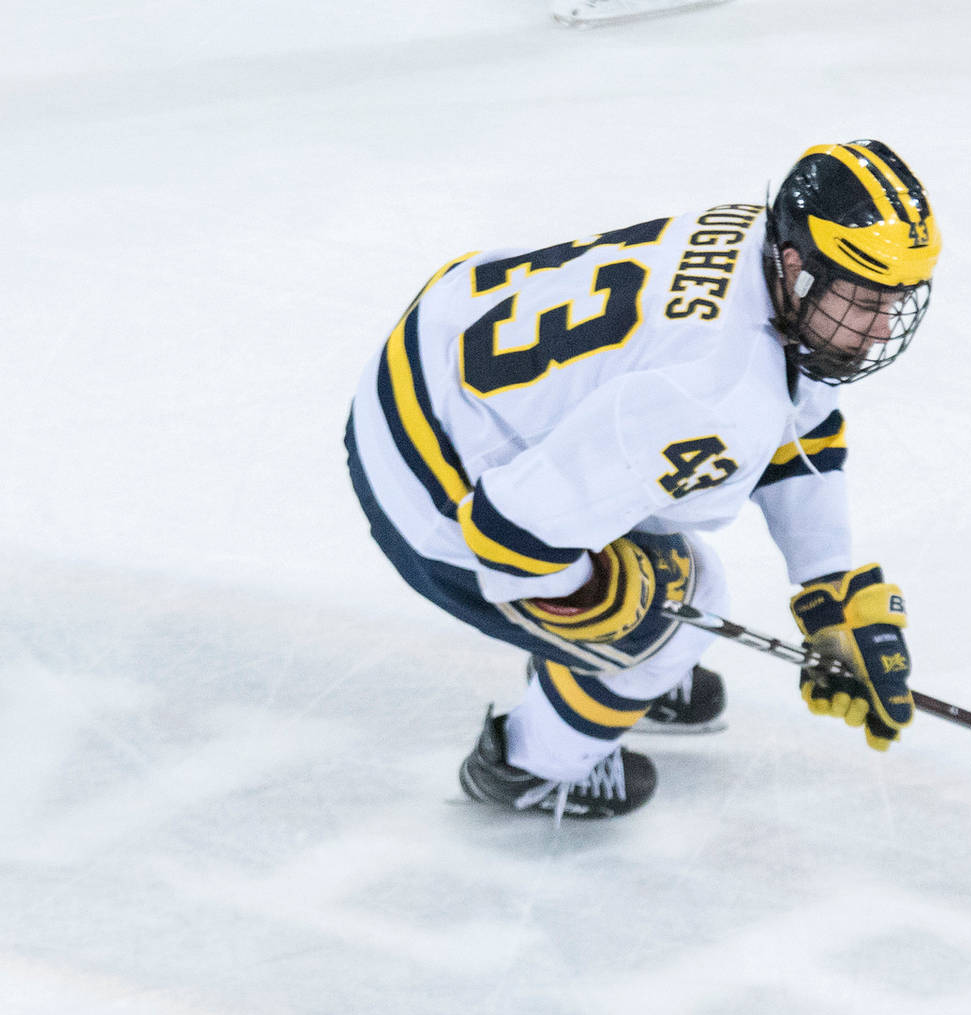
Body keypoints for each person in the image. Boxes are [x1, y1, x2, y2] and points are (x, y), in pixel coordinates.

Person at [343, 141, 939, 819]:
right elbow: (508, 534)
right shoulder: (717, 395)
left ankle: (602, 664)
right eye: (865, 301)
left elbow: (796, 415)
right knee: (677, 606)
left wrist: (830, 583)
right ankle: (527, 766)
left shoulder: (759, 240)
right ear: (798, 266)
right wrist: (592, 603)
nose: (885, 325)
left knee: (652, 507)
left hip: (442, 350)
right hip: (430, 482)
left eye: (897, 298)